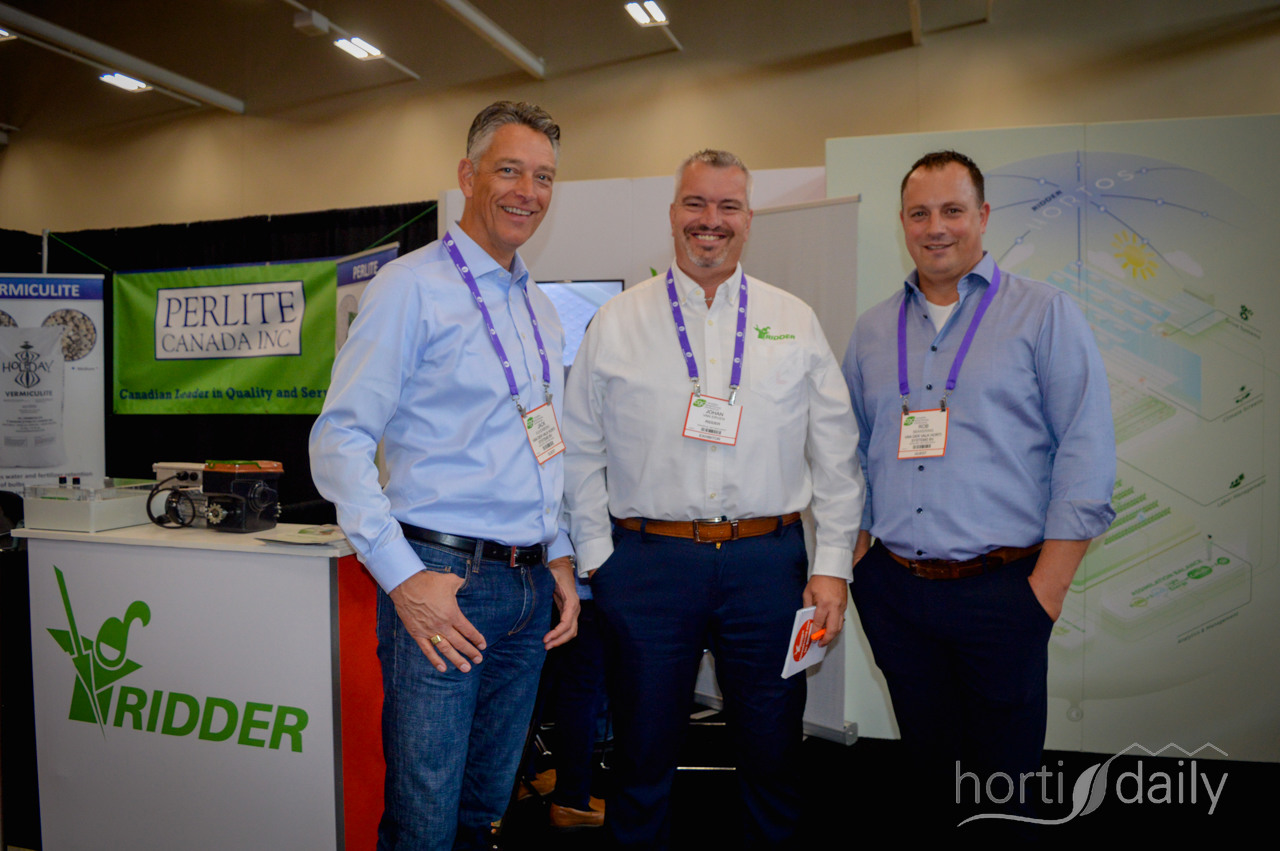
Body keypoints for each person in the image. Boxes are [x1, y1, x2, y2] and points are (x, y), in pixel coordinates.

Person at [562, 149, 864, 849]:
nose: (711, 220)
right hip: (648, 564)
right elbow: (579, 449)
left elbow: (837, 456)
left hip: (768, 565)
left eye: (728, 206)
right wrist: (602, 558)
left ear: (748, 219)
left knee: (773, 747)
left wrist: (831, 568)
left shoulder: (793, 319)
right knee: (641, 754)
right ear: (673, 214)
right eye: (696, 203)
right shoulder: (617, 321)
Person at [309, 100, 579, 851]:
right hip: (444, 580)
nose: (528, 191)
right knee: (424, 818)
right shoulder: (410, 286)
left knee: (484, 810)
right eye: (509, 170)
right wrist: (403, 578)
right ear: (467, 175)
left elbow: (539, 443)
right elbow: (339, 439)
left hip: (527, 588)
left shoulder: (539, 307)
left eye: (544, 177)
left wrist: (557, 553)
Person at [841, 150, 1116, 822]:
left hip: (1003, 591)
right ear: (902, 222)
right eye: (919, 213)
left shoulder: (1043, 313)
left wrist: (1044, 591)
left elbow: (1086, 450)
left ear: (983, 216)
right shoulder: (873, 329)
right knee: (929, 771)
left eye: (952, 210)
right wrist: (858, 557)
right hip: (896, 592)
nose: (936, 227)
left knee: (1004, 784)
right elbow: (849, 449)